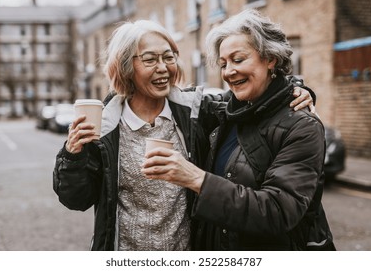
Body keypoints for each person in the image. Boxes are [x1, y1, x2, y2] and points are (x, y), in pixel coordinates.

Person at [53, 19, 314, 251]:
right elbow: (76, 199)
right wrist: (72, 156)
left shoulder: (197, 112)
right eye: (150, 59)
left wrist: (297, 90)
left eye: (169, 57)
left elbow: (252, 97)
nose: (163, 67)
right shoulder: (104, 126)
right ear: (125, 67)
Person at [142, 9, 335, 251]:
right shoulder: (226, 111)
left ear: (270, 58)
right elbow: (161, 94)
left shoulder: (302, 126)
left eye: (238, 59)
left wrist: (196, 178)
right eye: (223, 64)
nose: (228, 72)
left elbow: (277, 211)